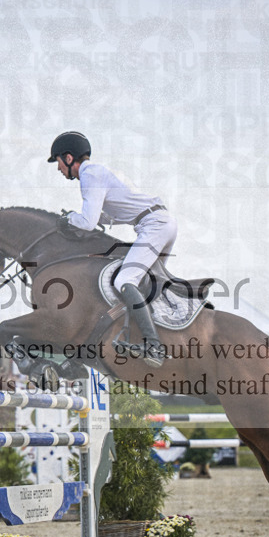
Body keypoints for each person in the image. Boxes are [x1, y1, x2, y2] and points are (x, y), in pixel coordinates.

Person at [48, 131, 177, 367]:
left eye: (57, 161)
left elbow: (87, 222)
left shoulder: (89, 175)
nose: (58, 169)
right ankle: (158, 333)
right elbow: (105, 216)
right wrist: (83, 219)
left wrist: (68, 220)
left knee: (124, 280)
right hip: (160, 222)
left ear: (68, 158)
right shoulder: (99, 172)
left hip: (154, 225)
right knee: (144, 285)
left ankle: (154, 346)